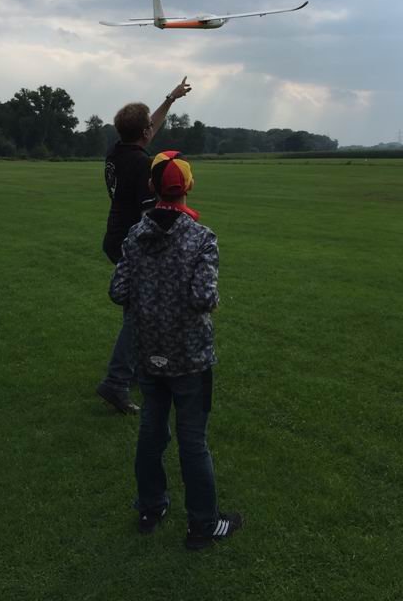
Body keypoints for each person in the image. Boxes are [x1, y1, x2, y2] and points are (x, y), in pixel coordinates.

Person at [109, 151, 242, 549]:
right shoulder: (202, 238)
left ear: (152, 187)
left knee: (151, 432)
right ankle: (202, 525)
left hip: (147, 353)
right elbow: (204, 298)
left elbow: (118, 290)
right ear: (188, 186)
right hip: (190, 357)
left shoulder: (135, 236)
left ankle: (150, 508)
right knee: (193, 441)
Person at [96, 78, 192, 414]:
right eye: (149, 126)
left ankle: (133, 370)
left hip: (115, 237)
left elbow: (147, 126)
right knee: (140, 313)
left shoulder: (117, 152)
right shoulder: (141, 164)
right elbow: (149, 215)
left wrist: (170, 99)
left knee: (137, 308)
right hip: (132, 242)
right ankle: (116, 381)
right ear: (145, 133)